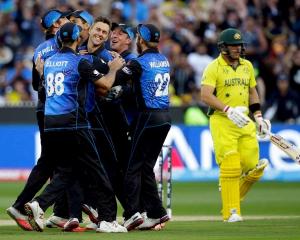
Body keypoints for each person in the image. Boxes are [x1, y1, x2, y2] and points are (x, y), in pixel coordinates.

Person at [24, 22, 127, 233]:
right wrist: (115, 69)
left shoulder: (50, 61)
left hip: (51, 124)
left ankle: (39, 204)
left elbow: (46, 83)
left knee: (67, 171)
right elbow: (106, 85)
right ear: (77, 39)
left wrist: (41, 71)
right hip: (75, 123)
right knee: (97, 169)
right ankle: (108, 219)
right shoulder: (79, 62)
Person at [6, 9, 70, 231]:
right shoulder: (63, 47)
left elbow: (35, 85)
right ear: (53, 27)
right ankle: (35, 206)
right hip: (57, 110)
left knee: (50, 161)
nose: (65, 22)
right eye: (61, 21)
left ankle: (29, 206)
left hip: (44, 109)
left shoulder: (40, 49)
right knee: (61, 163)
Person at [200, 28, 270, 222]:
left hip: (245, 121)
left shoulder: (247, 65)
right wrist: (228, 110)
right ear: (223, 47)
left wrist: (258, 116)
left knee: (253, 167)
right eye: (233, 45)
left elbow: (252, 93)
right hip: (222, 121)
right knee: (230, 163)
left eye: (240, 45)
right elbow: (205, 96)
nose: (238, 49)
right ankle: (231, 212)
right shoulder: (213, 67)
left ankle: (229, 190)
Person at [114, 23, 171, 231]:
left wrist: (115, 68)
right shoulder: (163, 60)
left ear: (141, 40)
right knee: (146, 167)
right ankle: (157, 213)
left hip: (148, 117)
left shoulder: (139, 63)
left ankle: (131, 214)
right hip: (165, 118)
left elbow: (118, 79)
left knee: (132, 167)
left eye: (138, 37)